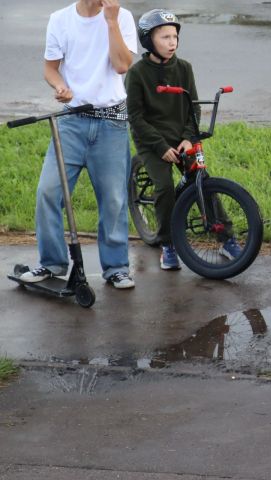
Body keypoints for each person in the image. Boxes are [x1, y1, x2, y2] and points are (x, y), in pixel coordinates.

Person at [20, 0, 137, 289]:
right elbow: (50, 68)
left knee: (113, 199)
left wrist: (111, 21)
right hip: (71, 122)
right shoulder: (60, 19)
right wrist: (60, 86)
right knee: (48, 192)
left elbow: (122, 65)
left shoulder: (122, 17)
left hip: (111, 123)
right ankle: (52, 263)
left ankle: (116, 268)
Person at [125, 9, 241, 271]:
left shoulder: (184, 68)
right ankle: (168, 243)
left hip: (181, 139)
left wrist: (189, 138)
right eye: (164, 37)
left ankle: (226, 237)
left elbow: (194, 107)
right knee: (164, 188)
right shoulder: (137, 74)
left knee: (203, 180)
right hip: (152, 142)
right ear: (148, 40)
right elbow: (136, 117)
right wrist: (160, 146)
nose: (172, 42)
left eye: (174, 36)